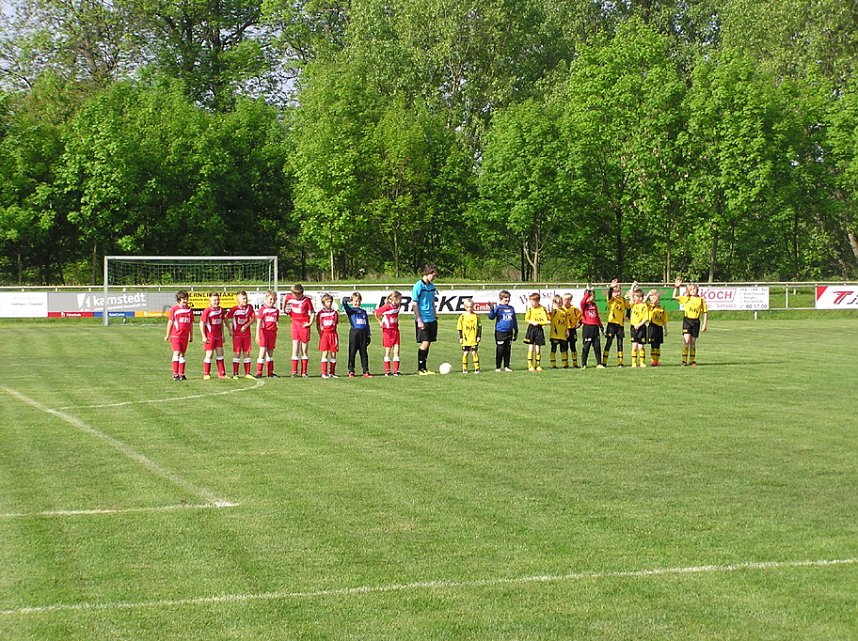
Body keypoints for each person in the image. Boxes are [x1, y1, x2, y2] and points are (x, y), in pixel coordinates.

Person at [282, 283, 315, 377]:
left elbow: (312, 312)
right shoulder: (290, 297)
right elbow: (285, 298)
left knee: (304, 349)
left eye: (295, 294)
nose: (293, 296)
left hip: (304, 326)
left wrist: (310, 323)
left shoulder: (306, 300)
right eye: (292, 294)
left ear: (300, 294)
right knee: (295, 348)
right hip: (295, 325)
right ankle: (294, 371)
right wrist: (284, 309)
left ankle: (304, 372)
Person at [673, 278, 708, 366]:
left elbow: (705, 312)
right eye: (690, 289)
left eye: (694, 289)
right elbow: (674, 297)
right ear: (688, 290)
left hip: (696, 321)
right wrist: (676, 287)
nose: (692, 291)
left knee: (693, 342)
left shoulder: (701, 300)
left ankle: (692, 361)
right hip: (687, 321)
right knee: (686, 341)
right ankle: (684, 361)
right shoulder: (686, 298)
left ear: (697, 289)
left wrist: (704, 324)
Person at [412, 264, 439, 375]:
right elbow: (414, 303)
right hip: (423, 318)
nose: (434, 277)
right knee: (425, 342)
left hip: (431, 318)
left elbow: (432, 302)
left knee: (428, 343)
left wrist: (435, 314)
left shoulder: (432, 286)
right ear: (427, 273)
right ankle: (420, 368)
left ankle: (424, 368)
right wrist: (419, 319)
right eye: (433, 275)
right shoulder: (418, 286)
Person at [225, 290, 256, 379]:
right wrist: (230, 329)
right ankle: (235, 373)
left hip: (246, 334)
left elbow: (253, 319)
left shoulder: (250, 307)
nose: (245, 300)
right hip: (237, 335)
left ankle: (247, 373)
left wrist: (246, 326)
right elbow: (226, 318)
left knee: (247, 353)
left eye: (246, 298)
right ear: (238, 300)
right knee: (237, 353)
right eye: (243, 299)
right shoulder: (235, 309)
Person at [164, 289, 193, 381]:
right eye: (183, 299)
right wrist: (167, 334)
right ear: (179, 300)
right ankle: (175, 374)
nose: (185, 301)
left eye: (186, 299)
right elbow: (170, 322)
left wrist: (191, 335)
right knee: (176, 352)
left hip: (185, 336)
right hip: (175, 336)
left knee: (183, 354)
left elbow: (191, 324)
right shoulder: (174, 310)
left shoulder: (189, 310)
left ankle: (182, 374)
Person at [342, 292, 373, 378]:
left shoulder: (363, 312)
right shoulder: (351, 311)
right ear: (352, 301)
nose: (357, 303)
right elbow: (345, 306)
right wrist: (344, 301)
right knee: (352, 352)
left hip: (363, 333)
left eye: (358, 301)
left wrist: (368, 335)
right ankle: (351, 370)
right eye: (355, 301)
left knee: (364, 353)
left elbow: (367, 324)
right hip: (354, 333)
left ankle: (365, 370)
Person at [602, 278, 631, 367]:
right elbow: (609, 295)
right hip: (611, 324)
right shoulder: (611, 300)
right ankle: (604, 362)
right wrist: (611, 288)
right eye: (615, 292)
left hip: (620, 325)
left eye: (618, 291)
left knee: (620, 343)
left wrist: (628, 316)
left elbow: (628, 307)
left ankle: (620, 362)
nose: (617, 293)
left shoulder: (622, 300)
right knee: (609, 342)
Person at [488, 290, 518, 372]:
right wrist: (491, 310)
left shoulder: (511, 308)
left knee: (508, 349)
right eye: (506, 298)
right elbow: (491, 317)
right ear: (501, 298)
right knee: (500, 349)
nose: (507, 299)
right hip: (500, 332)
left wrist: (516, 330)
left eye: (508, 298)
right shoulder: (498, 308)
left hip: (509, 332)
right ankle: (498, 367)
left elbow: (514, 320)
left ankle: (507, 366)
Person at [200, 291, 227, 379]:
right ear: (210, 301)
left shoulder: (220, 310)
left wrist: (223, 335)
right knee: (210, 354)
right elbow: (202, 324)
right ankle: (206, 374)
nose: (216, 302)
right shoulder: (207, 311)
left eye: (217, 300)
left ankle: (222, 373)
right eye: (214, 300)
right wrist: (204, 336)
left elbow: (221, 323)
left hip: (218, 336)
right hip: (210, 336)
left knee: (220, 353)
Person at [374, 291, 402, 376]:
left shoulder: (398, 306)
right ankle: (387, 371)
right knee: (388, 350)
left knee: (396, 350)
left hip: (395, 330)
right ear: (394, 299)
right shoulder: (387, 307)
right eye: (399, 299)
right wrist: (380, 322)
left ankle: (396, 371)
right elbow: (376, 313)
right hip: (387, 331)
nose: (400, 300)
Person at [255, 290, 280, 378]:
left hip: (272, 333)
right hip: (264, 332)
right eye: (270, 299)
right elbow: (259, 322)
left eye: (273, 299)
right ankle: (259, 372)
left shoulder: (276, 311)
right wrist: (257, 335)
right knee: (262, 351)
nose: (272, 301)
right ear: (266, 299)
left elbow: (276, 322)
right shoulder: (263, 310)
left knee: (270, 352)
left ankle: (270, 372)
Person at [523, 292, 550, 372]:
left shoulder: (543, 308)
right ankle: (530, 365)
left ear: (538, 301)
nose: (532, 303)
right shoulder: (530, 309)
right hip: (532, 328)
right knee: (531, 347)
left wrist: (547, 322)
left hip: (539, 329)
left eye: (534, 301)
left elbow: (547, 318)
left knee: (538, 348)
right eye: (531, 301)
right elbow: (526, 319)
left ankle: (538, 365)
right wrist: (532, 322)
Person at [580, 287, 605, 369]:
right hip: (587, 327)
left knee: (597, 346)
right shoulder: (584, 305)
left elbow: (597, 316)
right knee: (586, 346)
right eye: (592, 296)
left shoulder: (594, 305)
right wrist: (588, 292)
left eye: (594, 296)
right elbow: (582, 301)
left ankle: (599, 363)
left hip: (595, 327)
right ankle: (583, 364)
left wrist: (601, 327)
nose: (594, 298)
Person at [316, 293, 340, 378]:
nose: (329, 304)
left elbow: (335, 324)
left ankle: (332, 372)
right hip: (324, 334)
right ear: (323, 303)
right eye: (327, 302)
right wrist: (321, 334)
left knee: (333, 353)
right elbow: (318, 325)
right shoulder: (320, 313)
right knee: (325, 353)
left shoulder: (334, 313)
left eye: (330, 302)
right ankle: (324, 372)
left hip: (333, 334)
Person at [456, 298, 482, 373]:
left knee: (474, 353)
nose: (469, 309)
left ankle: (477, 368)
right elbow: (459, 328)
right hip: (466, 339)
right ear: (465, 307)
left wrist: (479, 336)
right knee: (466, 353)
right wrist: (460, 337)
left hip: (473, 338)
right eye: (468, 307)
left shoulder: (476, 316)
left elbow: (479, 327)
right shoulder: (462, 317)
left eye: (471, 307)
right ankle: (464, 368)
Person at [628, 287, 650, 368]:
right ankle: (633, 363)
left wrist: (639, 324)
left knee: (641, 346)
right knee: (634, 346)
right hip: (633, 327)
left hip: (641, 328)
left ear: (640, 298)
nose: (633, 298)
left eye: (635, 296)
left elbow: (646, 318)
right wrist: (633, 286)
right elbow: (630, 296)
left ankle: (642, 362)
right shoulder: (633, 305)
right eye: (633, 296)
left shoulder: (644, 306)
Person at [646, 289, 668, 367]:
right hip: (652, 327)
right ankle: (653, 360)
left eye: (657, 300)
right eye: (654, 300)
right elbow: (644, 302)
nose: (656, 301)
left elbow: (664, 320)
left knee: (658, 345)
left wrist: (666, 330)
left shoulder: (662, 309)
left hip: (659, 328)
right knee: (653, 345)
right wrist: (648, 295)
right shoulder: (650, 307)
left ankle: (657, 360)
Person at [548, 294, 569, 369]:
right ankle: (553, 364)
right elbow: (549, 312)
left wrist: (567, 330)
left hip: (562, 334)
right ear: (554, 303)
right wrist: (552, 302)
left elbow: (566, 322)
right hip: (555, 334)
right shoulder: (554, 311)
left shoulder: (564, 311)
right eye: (558, 302)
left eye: (561, 302)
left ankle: (564, 364)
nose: (560, 304)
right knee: (553, 349)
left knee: (563, 349)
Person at [563, 292, 582, 368]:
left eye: (565, 300)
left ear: (569, 300)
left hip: (572, 330)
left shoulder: (574, 309)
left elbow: (581, 317)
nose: (563, 301)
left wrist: (579, 324)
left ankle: (575, 363)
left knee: (573, 346)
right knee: (564, 346)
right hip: (564, 330)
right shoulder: (562, 309)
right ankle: (565, 363)